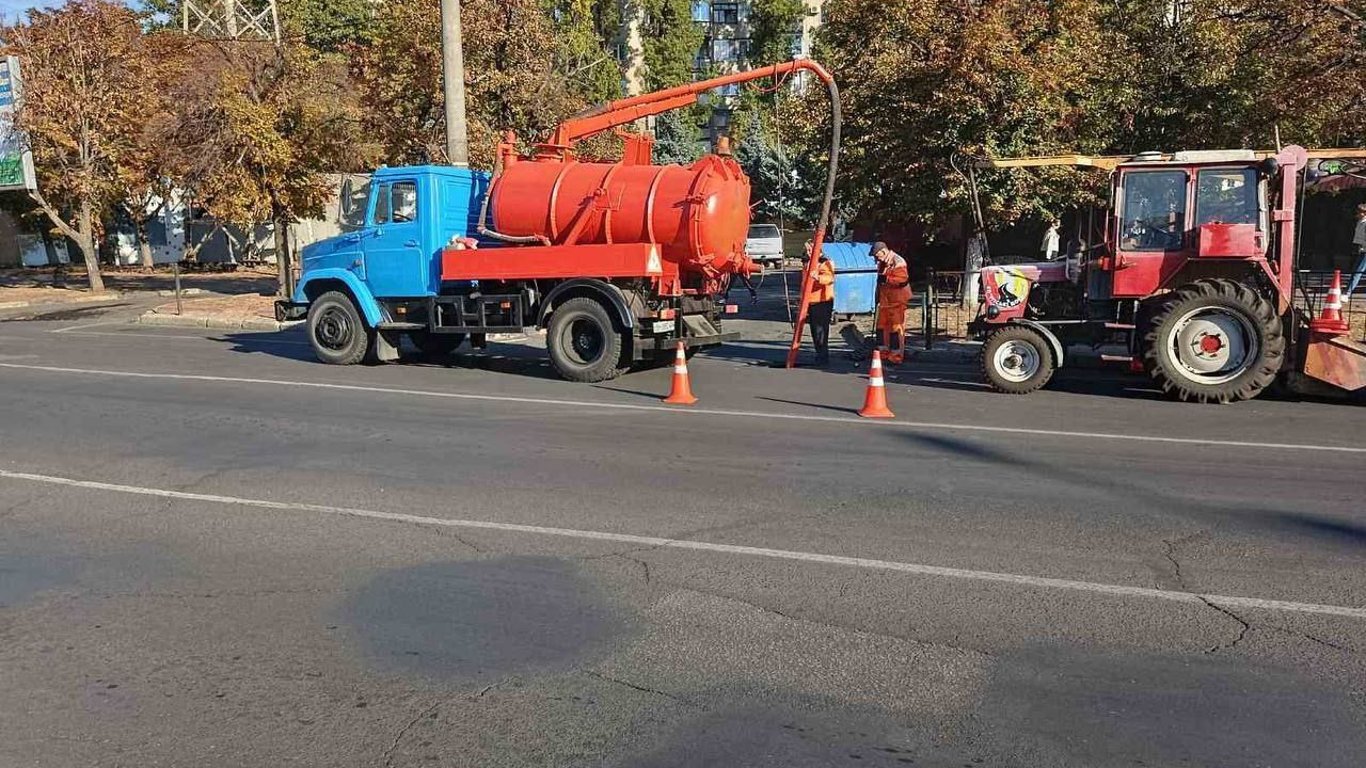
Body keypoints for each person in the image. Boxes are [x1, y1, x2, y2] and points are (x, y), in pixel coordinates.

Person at [872, 241, 911, 364]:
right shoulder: (883, 263)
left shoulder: (898, 262)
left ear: (883, 252)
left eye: (876, 255)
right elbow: (881, 282)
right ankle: (883, 353)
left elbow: (902, 281)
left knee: (895, 329)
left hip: (897, 300)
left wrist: (887, 279)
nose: (875, 258)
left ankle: (896, 355)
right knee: (881, 328)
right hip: (886, 301)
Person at [805, 250, 836, 365]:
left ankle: (823, 356)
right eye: (807, 250)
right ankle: (819, 353)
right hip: (812, 301)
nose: (807, 252)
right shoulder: (809, 262)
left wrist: (817, 277)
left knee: (820, 330)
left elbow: (829, 278)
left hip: (822, 301)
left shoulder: (825, 263)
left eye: (809, 250)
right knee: (815, 330)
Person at [1348, 204, 1366, 298]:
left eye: (1360, 212)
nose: (1358, 214)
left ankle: (1348, 291)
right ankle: (1348, 290)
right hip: (1361, 249)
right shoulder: (1360, 222)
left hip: (1364, 250)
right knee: (1357, 271)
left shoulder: (1365, 223)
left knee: (1358, 271)